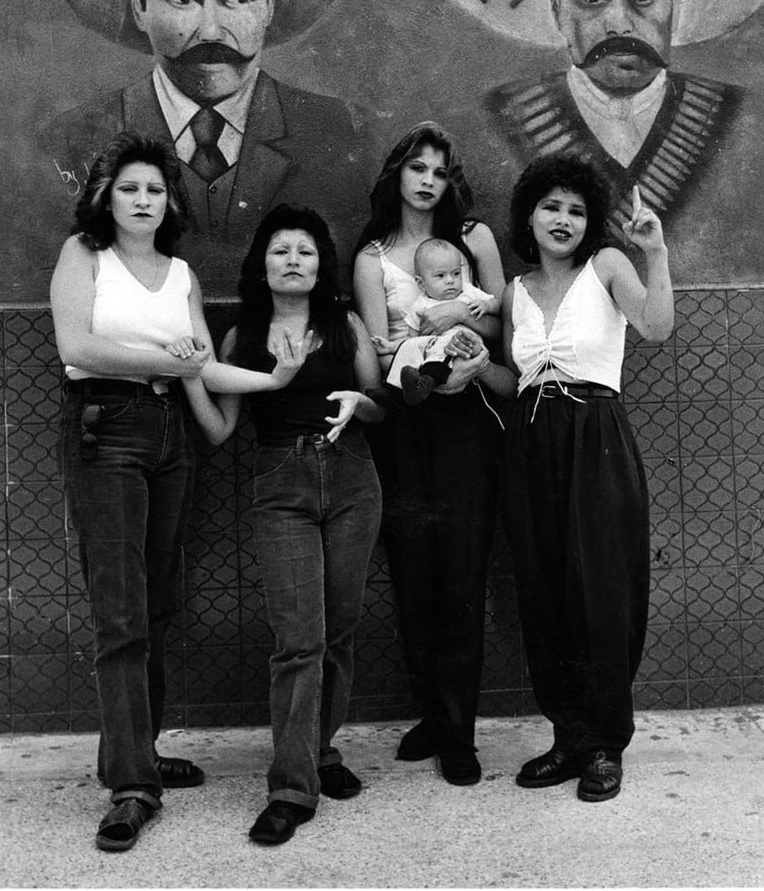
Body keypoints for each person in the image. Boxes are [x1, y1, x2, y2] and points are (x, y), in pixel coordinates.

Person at [49, 132, 284, 853]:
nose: (144, 200)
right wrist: (168, 360)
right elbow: (77, 347)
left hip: (169, 435)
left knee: (157, 603)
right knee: (120, 610)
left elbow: (203, 370)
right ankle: (130, 785)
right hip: (107, 427)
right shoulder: (83, 256)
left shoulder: (180, 273)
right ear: (106, 198)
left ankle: (136, 752)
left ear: (169, 201)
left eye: (155, 190)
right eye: (130, 189)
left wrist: (276, 381)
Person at [45, 0, 359, 296]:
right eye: (183, 0)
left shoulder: (335, 129)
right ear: (139, 7)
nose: (210, 30)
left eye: (237, 0)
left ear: (269, 5)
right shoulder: (74, 137)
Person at [180, 204, 385, 846]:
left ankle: (321, 753)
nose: (292, 260)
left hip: (353, 478)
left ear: (321, 264)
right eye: (279, 250)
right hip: (281, 486)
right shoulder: (243, 336)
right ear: (261, 265)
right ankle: (292, 788)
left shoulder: (345, 323)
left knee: (341, 630)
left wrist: (360, 402)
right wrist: (190, 377)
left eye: (304, 250)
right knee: (300, 639)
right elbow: (219, 431)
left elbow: (381, 407)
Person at [478, 153, 674, 802]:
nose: (562, 219)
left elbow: (654, 325)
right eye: (550, 206)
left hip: (597, 438)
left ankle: (604, 746)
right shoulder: (516, 290)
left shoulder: (608, 266)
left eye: (575, 209)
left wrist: (656, 252)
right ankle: (566, 736)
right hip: (531, 443)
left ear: (588, 222)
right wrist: (477, 366)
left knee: (602, 593)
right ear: (528, 216)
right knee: (545, 591)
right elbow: (515, 380)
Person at [352, 122, 504, 784]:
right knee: (414, 574)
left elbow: (506, 320)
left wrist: (457, 321)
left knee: (461, 574)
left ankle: (460, 733)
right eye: (417, 167)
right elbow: (379, 349)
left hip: (467, 419)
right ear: (398, 174)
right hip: (404, 423)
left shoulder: (473, 241)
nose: (427, 180)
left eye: (439, 171)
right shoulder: (371, 257)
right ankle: (434, 714)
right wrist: (399, 345)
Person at [488, 0, 740, 236]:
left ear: (675, 6)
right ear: (557, 10)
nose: (619, 23)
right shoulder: (504, 111)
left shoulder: (733, 113)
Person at [373, 236, 498, 404]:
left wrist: (486, 306)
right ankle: (392, 390)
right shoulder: (420, 305)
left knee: (443, 348)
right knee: (410, 349)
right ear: (421, 284)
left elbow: (499, 304)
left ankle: (424, 385)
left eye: (456, 273)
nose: (450, 280)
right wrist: (391, 347)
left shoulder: (468, 293)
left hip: (461, 349)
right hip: (430, 348)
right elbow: (414, 340)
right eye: (440, 275)